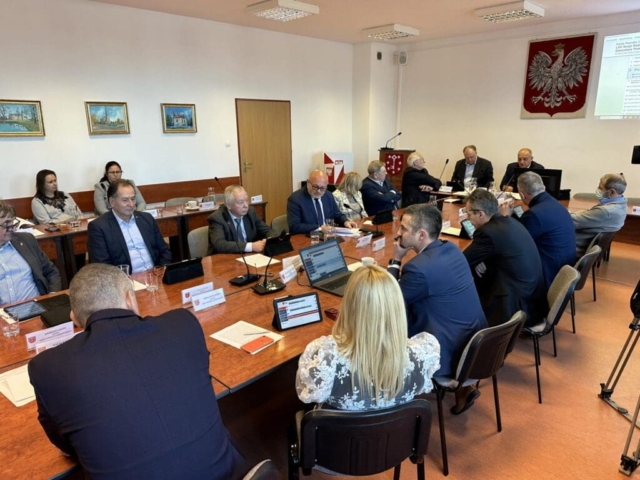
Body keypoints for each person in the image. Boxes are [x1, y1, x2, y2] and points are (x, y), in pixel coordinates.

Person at [28, 263, 248, 479]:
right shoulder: (183, 324)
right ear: (130, 299)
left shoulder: (48, 367)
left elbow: (66, 444)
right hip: (229, 474)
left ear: (74, 319)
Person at [296, 264, 441, 411]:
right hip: (399, 426)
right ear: (397, 308)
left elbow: (309, 395)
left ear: (349, 306)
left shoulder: (324, 359)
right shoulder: (421, 357)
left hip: (342, 427)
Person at [387, 204, 487, 414]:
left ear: (421, 235)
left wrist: (396, 259)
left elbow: (389, 301)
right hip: (475, 344)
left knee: (385, 324)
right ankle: (465, 389)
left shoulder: (418, 269)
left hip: (448, 354)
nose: (398, 233)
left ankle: (388, 399)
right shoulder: (451, 249)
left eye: (404, 228)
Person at [463, 189, 548, 328]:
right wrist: (479, 258)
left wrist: (476, 258)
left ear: (481, 214)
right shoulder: (509, 221)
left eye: (468, 213)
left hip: (517, 307)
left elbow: (462, 262)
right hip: (534, 300)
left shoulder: (487, 232)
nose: (467, 218)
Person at [502, 172, 575, 288]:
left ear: (522, 195)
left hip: (548, 275)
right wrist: (513, 215)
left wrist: (504, 218)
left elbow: (512, 244)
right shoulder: (554, 203)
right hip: (563, 269)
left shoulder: (534, 214)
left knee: (498, 261)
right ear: (543, 187)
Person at [88, 179, 171, 272]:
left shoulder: (147, 219)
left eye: (133, 199)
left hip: (156, 274)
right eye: (125, 200)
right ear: (112, 202)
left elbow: (165, 251)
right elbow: (102, 267)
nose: (131, 204)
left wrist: (159, 272)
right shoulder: (99, 227)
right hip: (125, 279)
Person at [0, 201, 61, 306]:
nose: (13, 229)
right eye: (6, 224)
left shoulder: (26, 240)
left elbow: (51, 272)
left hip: (39, 306)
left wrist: (52, 296)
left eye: (13, 223)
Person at [207, 185, 276, 255]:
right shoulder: (217, 218)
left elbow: (269, 231)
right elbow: (220, 244)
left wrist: (268, 241)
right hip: (225, 258)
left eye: (246, 200)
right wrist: (251, 246)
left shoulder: (250, 212)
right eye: (241, 202)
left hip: (249, 257)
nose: (246, 205)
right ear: (229, 205)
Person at [572, 173, 628, 256]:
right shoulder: (622, 205)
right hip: (584, 245)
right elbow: (585, 215)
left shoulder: (606, 211)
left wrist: (561, 213)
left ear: (612, 192)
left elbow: (572, 221)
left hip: (574, 246)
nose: (598, 189)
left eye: (601, 188)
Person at [287, 170, 358, 235]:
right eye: (315, 187)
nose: (318, 191)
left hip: (328, 235)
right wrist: (320, 228)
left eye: (322, 188)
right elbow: (294, 226)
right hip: (308, 237)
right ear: (308, 182)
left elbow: (337, 214)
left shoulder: (328, 195)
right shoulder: (295, 199)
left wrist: (345, 222)